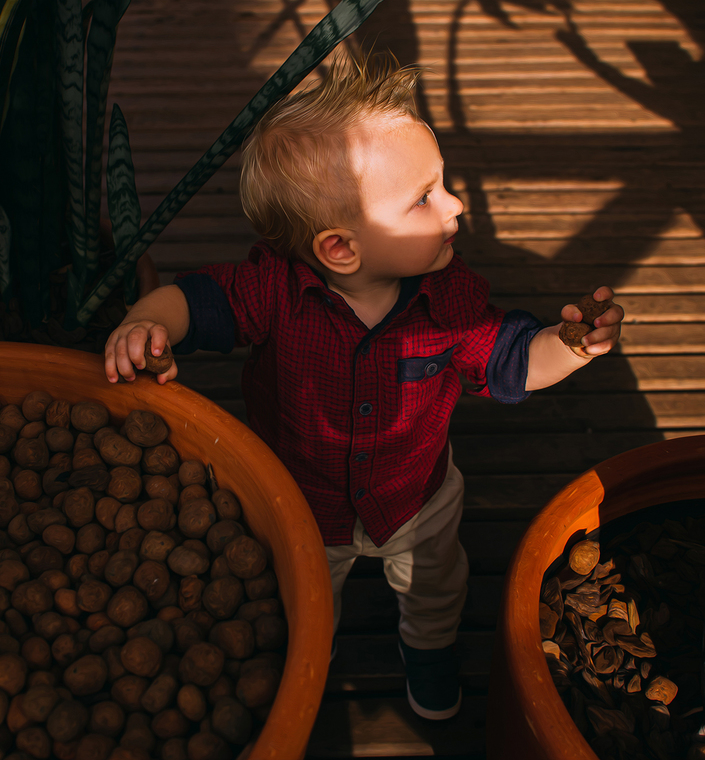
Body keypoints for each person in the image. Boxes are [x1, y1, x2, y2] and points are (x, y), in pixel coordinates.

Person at [101, 52, 624, 720]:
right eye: (425, 197)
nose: (456, 204)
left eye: (443, 184)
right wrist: (146, 322)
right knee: (303, 600)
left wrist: (569, 346)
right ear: (341, 249)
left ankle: (428, 649)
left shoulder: (448, 297)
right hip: (302, 500)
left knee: (436, 587)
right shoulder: (274, 291)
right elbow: (196, 303)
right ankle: (305, 665)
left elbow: (512, 359)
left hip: (417, 496)